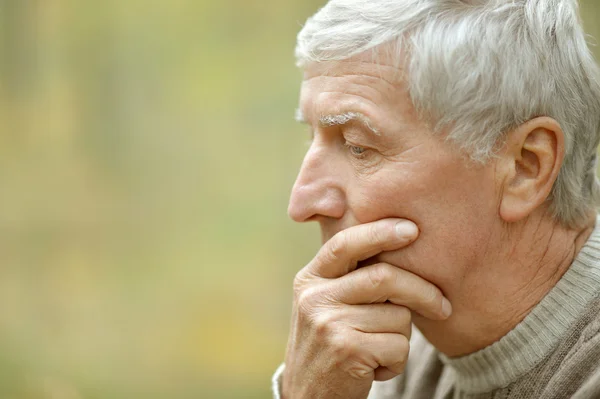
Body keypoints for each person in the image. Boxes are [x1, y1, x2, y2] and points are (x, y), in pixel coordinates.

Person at [272, 0, 600, 398]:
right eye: (314, 138)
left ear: (524, 168)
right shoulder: (378, 346)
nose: (302, 204)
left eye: (358, 147)